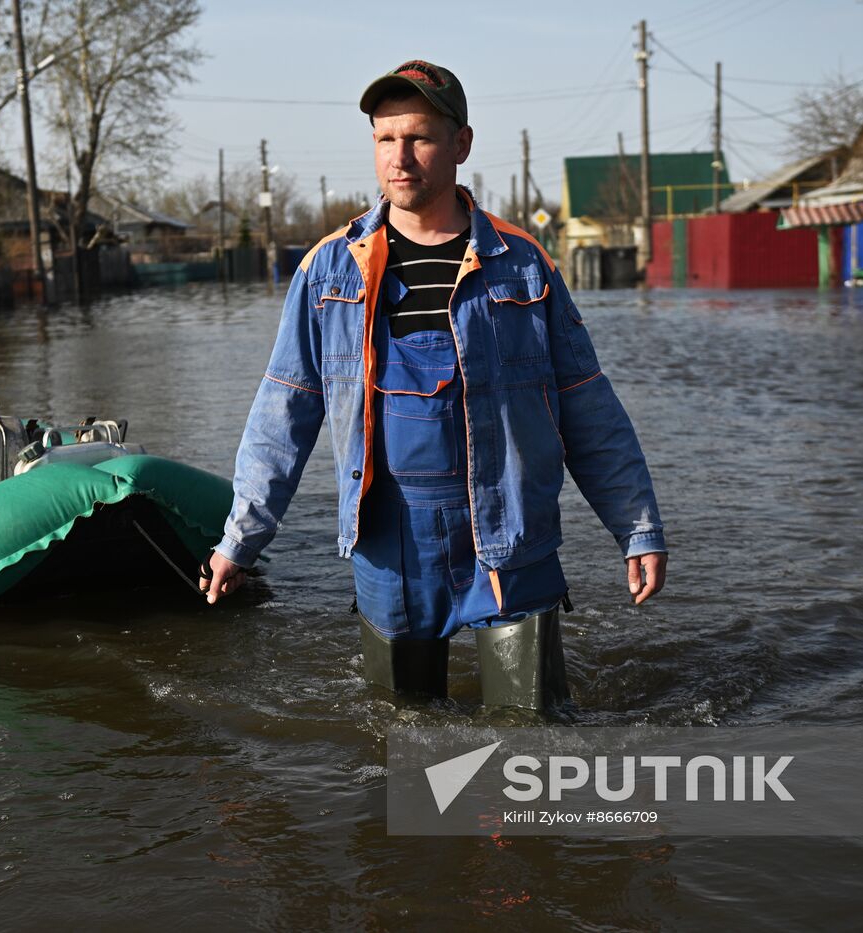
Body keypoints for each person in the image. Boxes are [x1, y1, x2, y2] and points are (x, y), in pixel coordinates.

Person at [200, 60, 667, 709]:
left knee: (529, 733)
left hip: (510, 535)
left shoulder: (522, 264)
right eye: (385, 138)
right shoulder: (329, 269)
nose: (401, 157)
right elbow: (283, 413)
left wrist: (636, 525)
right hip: (391, 544)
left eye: (418, 137)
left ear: (460, 144)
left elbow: (586, 404)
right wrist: (239, 541)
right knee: (402, 745)